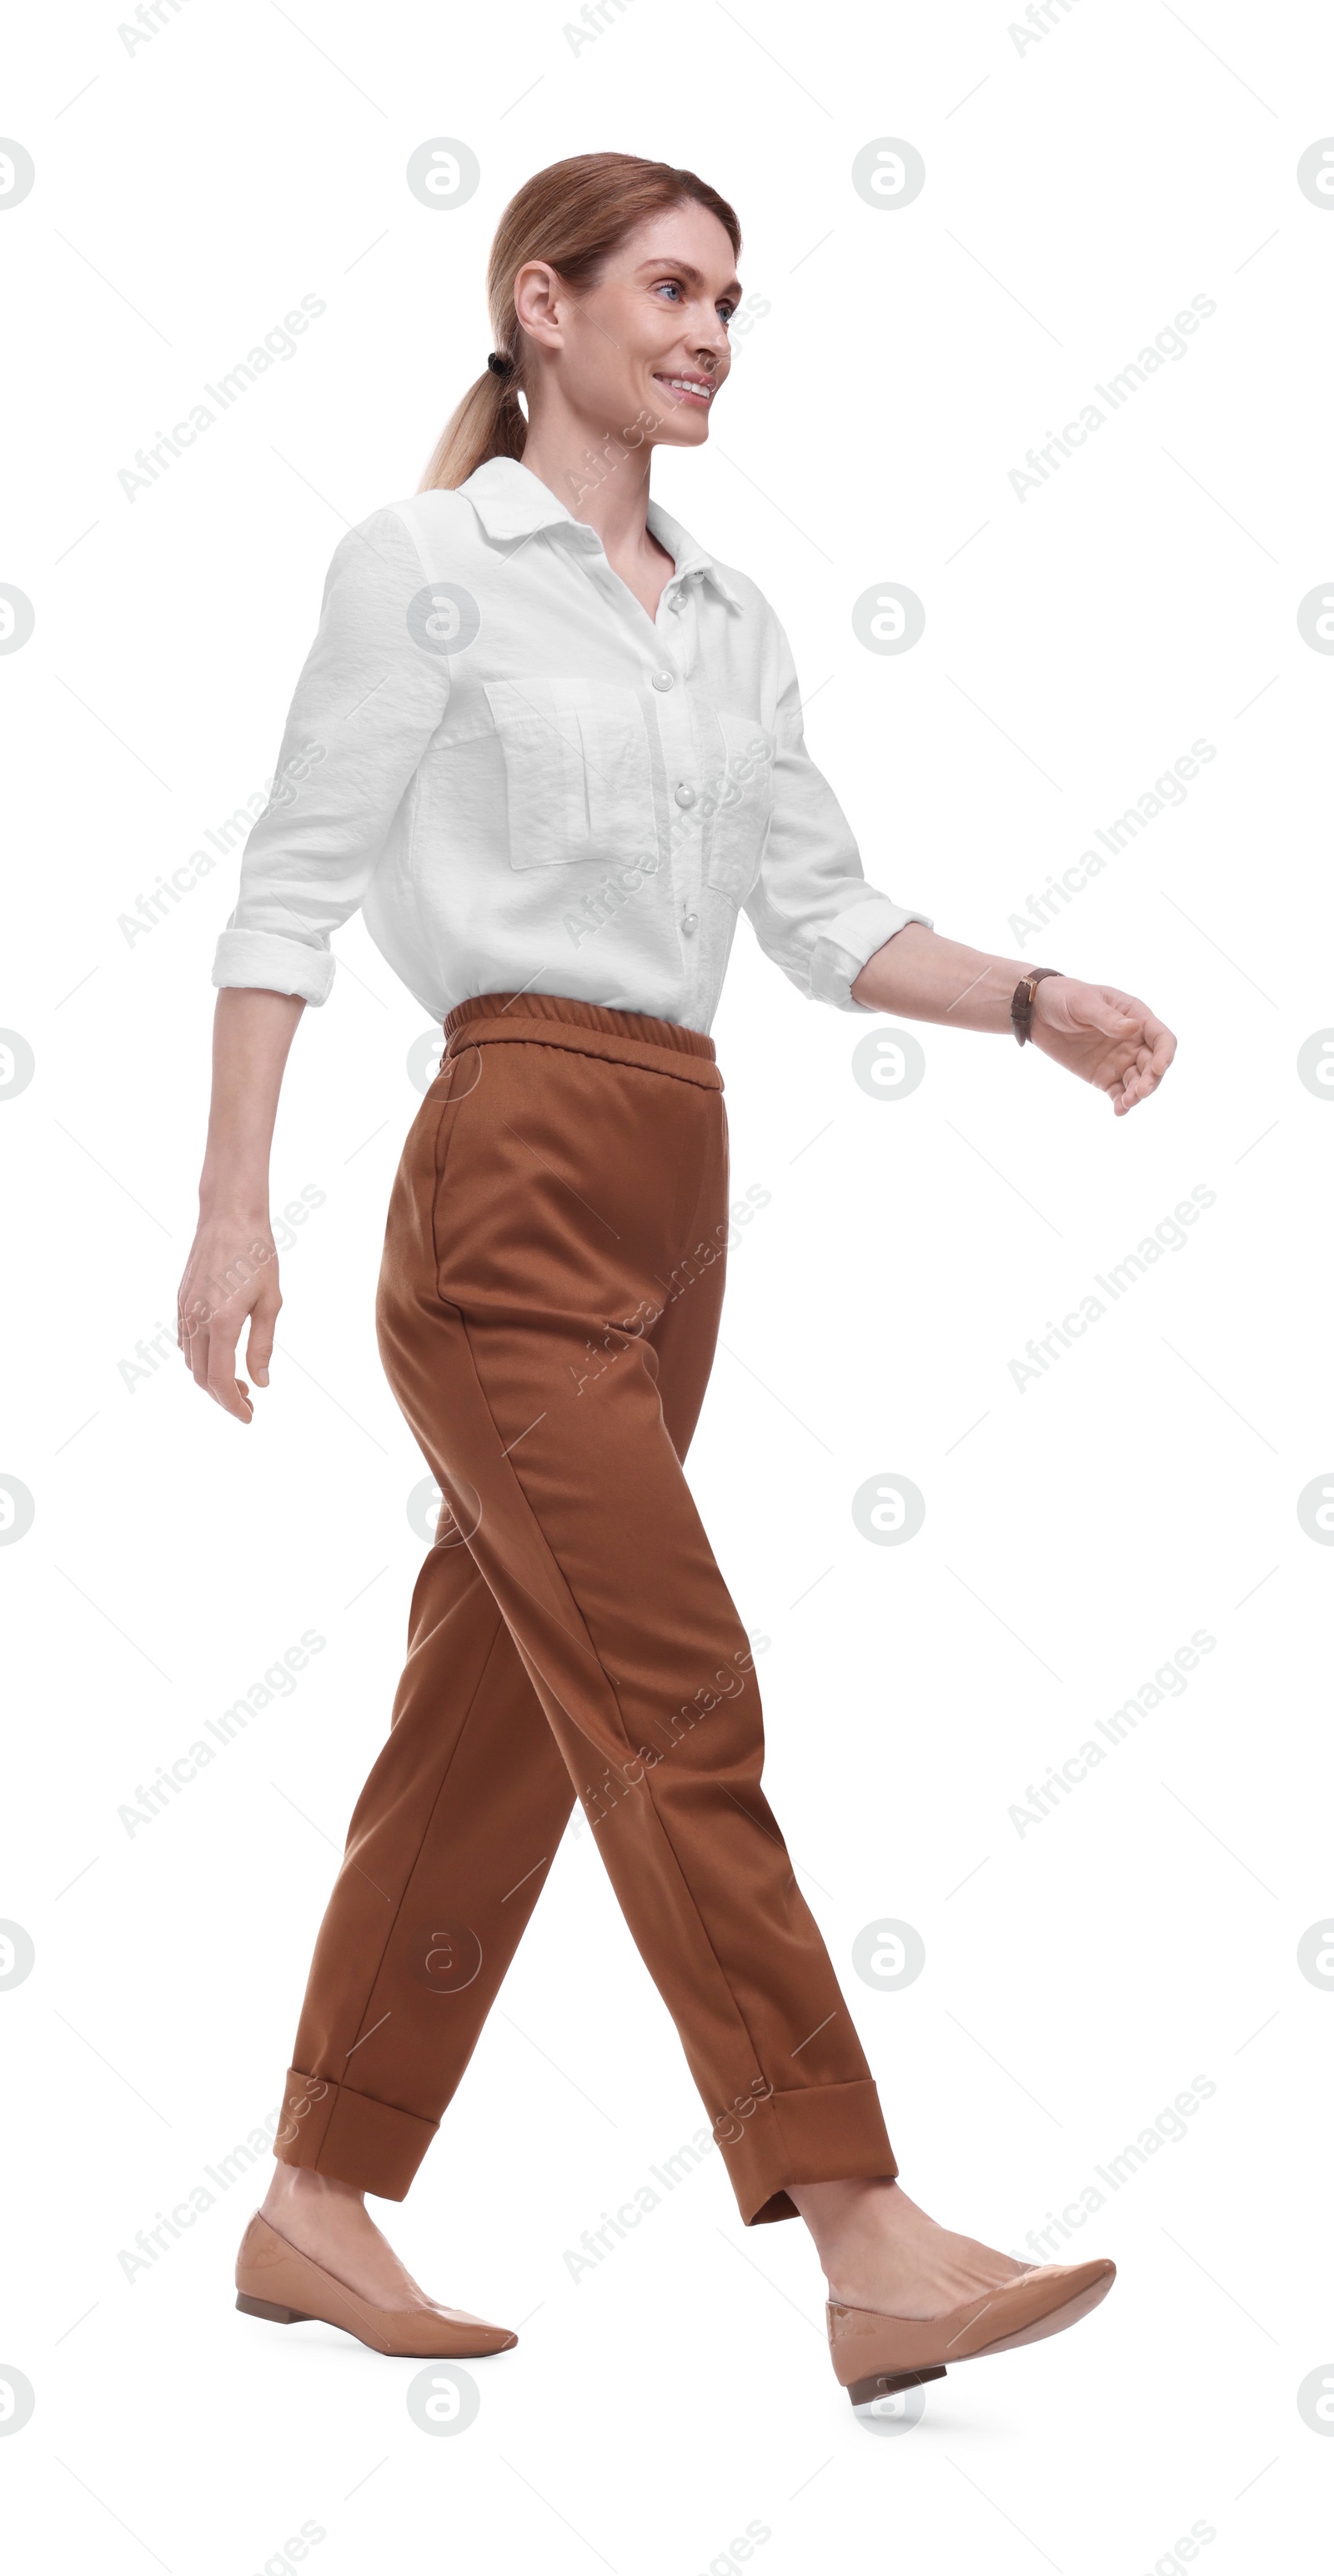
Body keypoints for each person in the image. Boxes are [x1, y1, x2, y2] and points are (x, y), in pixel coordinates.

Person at [182, 152, 1173, 2403]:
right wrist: (235, 1208)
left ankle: (316, 2199)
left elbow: (824, 919)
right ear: (540, 308)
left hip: (678, 1189)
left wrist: (1036, 999)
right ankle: (863, 2224)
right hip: (505, 1183)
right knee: (676, 1687)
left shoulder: (733, 617)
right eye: (670, 286)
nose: (714, 328)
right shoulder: (422, 569)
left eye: (734, 296)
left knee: (510, 1712)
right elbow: (284, 900)